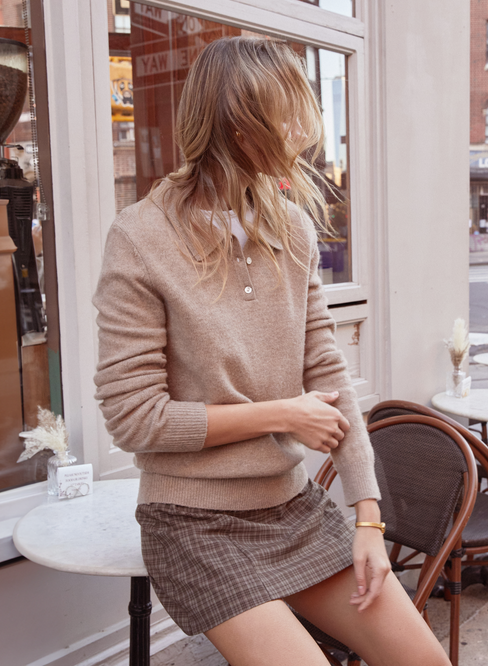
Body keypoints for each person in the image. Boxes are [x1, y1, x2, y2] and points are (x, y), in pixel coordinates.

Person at [93, 37, 450, 666]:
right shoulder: (141, 237)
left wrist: (368, 515)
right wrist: (283, 414)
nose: (301, 134)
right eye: (289, 115)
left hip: (293, 506)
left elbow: (328, 372)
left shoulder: (294, 227)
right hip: (192, 522)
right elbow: (134, 418)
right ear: (241, 124)